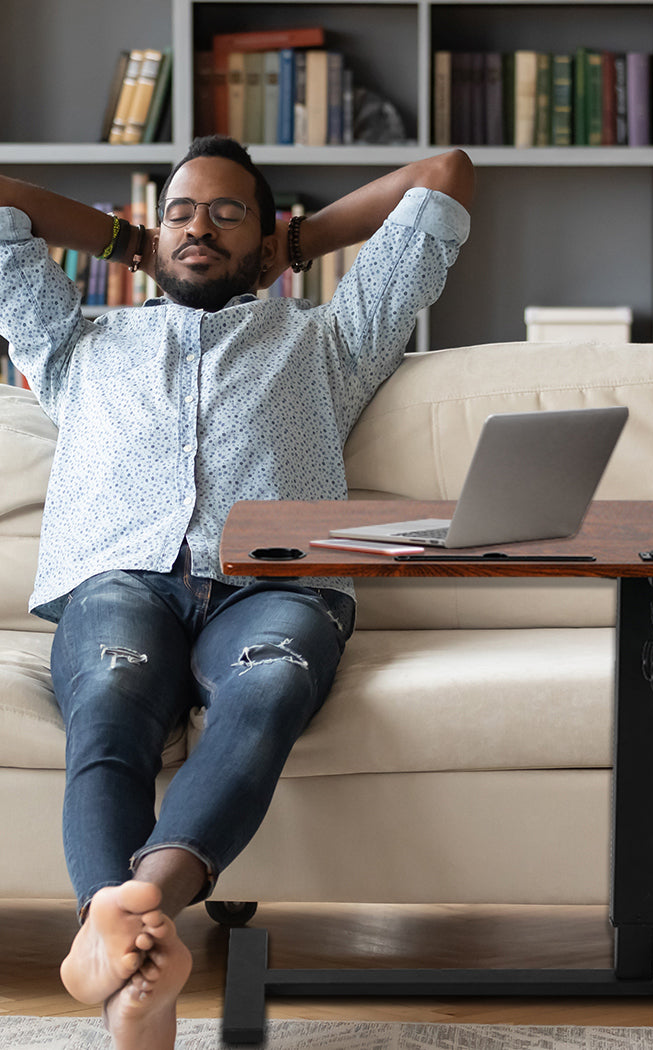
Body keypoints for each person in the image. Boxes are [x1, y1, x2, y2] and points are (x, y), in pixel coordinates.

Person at [0, 136, 474, 1050]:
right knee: (109, 703)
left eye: (227, 213)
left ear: (267, 239)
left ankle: (130, 914)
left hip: (276, 587)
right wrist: (123, 242)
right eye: (181, 213)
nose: (198, 228)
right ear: (154, 229)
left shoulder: (332, 339)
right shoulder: (76, 344)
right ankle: (139, 957)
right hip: (121, 582)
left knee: (267, 691)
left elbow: (444, 175)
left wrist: (293, 246)